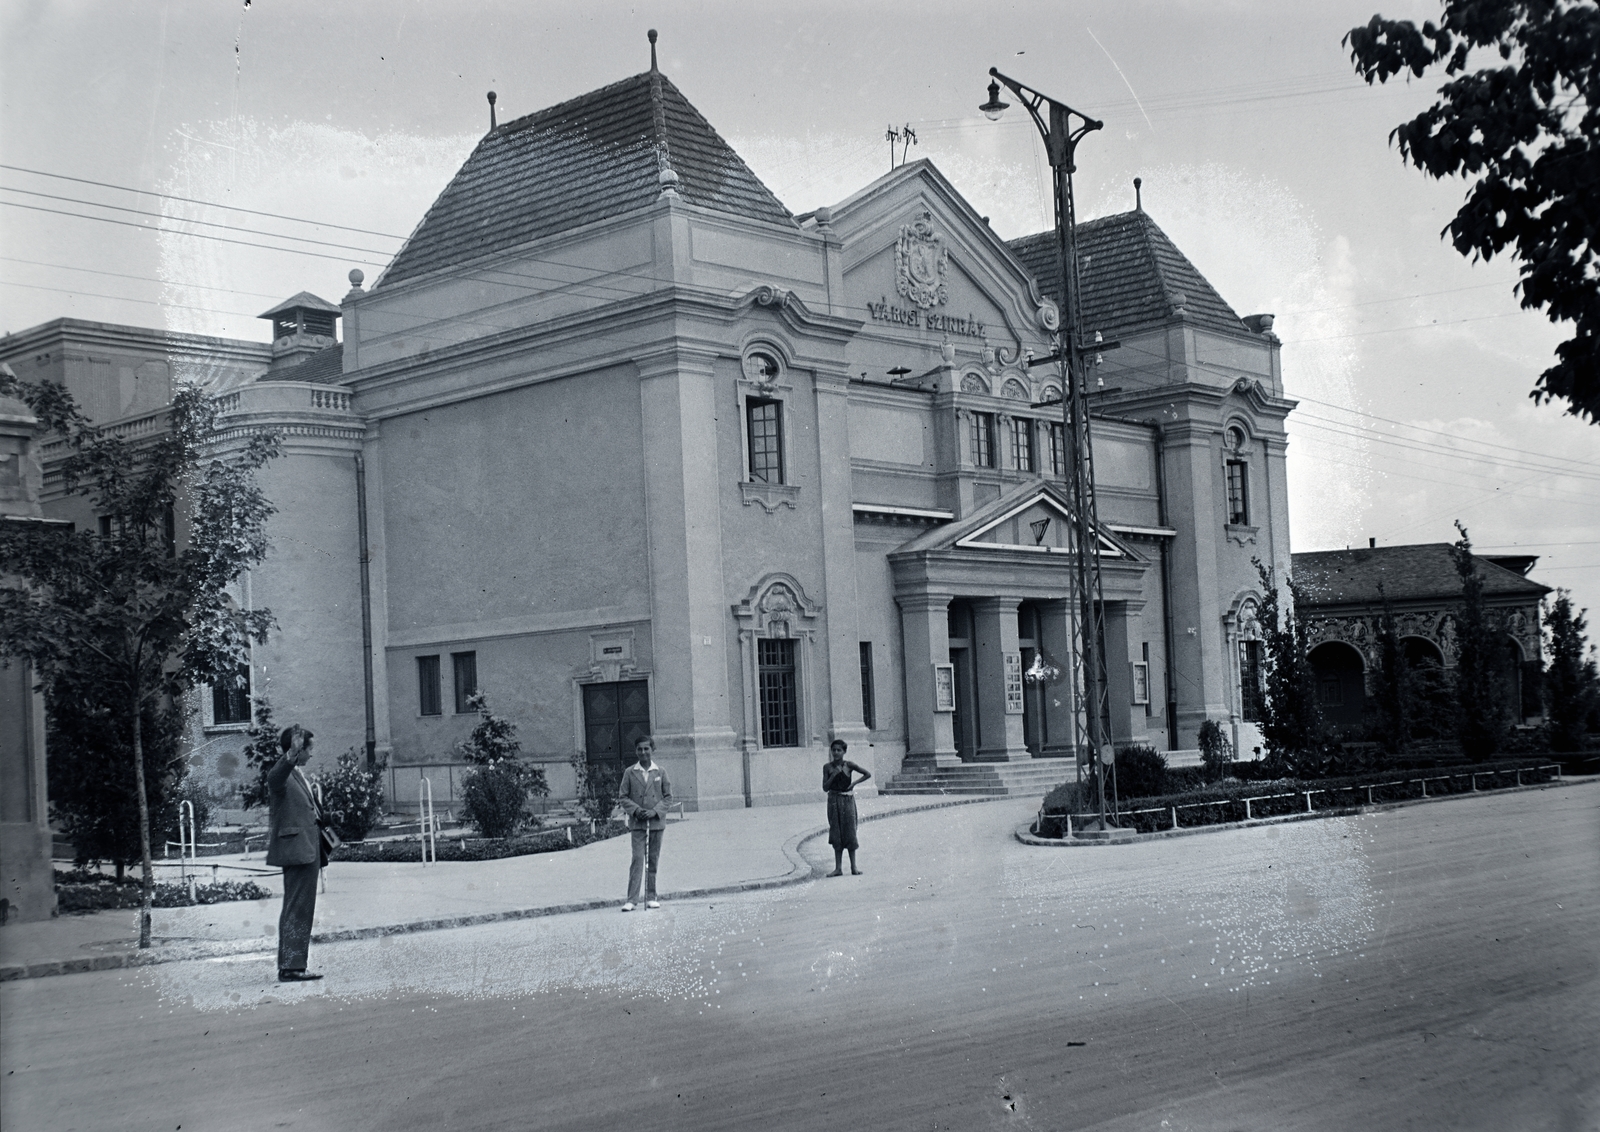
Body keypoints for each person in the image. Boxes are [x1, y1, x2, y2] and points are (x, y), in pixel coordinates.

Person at [265, 724, 323, 982]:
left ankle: (295, 964)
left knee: (301, 908)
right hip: (298, 850)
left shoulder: (298, 775)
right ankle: (291, 967)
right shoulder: (283, 774)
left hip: (307, 849)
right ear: (296, 749)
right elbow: (274, 778)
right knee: (297, 909)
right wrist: (290, 755)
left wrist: (329, 817)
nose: (311, 754)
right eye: (308, 749)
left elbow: (303, 811)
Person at [617, 736, 671, 912]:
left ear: (652, 750)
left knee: (652, 860)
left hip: (655, 822)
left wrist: (655, 811)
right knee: (638, 859)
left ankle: (651, 896)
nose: (643, 752)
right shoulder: (630, 772)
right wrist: (636, 810)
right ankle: (632, 899)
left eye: (646, 749)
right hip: (638, 823)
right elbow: (623, 796)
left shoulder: (660, 772)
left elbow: (668, 797)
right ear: (636, 751)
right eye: (639, 749)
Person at [822, 739, 870, 876]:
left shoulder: (849, 765)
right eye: (834, 750)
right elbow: (825, 788)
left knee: (850, 832)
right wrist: (834, 775)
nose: (836, 753)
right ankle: (838, 868)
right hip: (833, 801)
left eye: (839, 750)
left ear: (844, 752)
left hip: (847, 800)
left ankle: (854, 867)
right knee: (836, 832)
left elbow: (867, 774)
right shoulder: (827, 767)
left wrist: (854, 783)